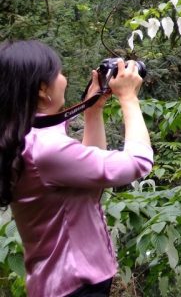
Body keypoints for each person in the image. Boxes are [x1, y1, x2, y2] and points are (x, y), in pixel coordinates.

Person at [0, 40, 153, 297]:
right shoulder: (46, 150)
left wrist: (93, 112)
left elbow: (90, 178)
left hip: (63, 283)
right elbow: (138, 162)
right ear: (41, 89)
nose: (65, 78)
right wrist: (128, 98)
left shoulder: (25, 137)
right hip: (74, 286)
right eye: (58, 73)